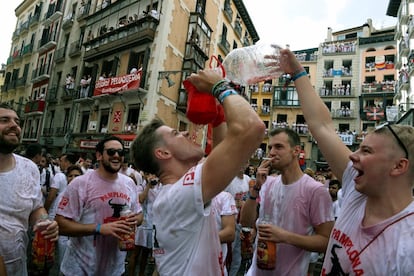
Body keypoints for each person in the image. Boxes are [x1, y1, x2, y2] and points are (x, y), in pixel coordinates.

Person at [278, 48, 414, 274]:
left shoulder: (408, 245)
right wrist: (298, 72)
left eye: (366, 151)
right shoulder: (356, 191)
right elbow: (321, 127)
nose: (352, 155)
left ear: (399, 166)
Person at [130, 69, 265, 275]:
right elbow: (252, 128)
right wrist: (218, 86)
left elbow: (219, 154)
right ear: (164, 153)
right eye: (176, 133)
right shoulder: (178, 194)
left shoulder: (175, 192)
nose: (184, 131)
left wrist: (219, 116)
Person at [240, 127, 334, 275]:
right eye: (270, 147)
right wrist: (256, 187)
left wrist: (285, 236)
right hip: (256, 270)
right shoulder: (267, 183)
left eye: (278, 147)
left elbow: (326, 241)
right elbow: (245, 222)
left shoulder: (315, 191)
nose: (271, 153)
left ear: (296, 151)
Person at [55, 136, 143, 275]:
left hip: (114, 270)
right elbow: (60, 224)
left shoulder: (129, 183)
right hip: (80, 269)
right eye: (111, 151)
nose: (116, 156)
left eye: (121, 152)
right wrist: (99, 228)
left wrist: (134, 220)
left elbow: (139, 214)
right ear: (99, 155)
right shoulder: (80, 183)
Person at [0, 103, 59, 275]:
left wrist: (44, 222)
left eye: (17, 121)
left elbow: (35, 207)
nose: (14, 125)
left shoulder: (29, 168)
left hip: (18, 267)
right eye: (4, 120)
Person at [128, 173, 161, 276]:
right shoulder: (141, 186)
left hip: (152, 225)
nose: (152, 177)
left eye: (154, 174)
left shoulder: (160, 187)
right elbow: (141, 199)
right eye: (149, 174)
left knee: (145, 255)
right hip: (142, 223)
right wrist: (148, 186)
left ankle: (141, 274)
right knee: (135, 254)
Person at [224, 166, 251, 276]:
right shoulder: (229, 180)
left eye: (246, 161)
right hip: (230, 222)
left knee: (238, 257)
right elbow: (222, 201)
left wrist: (244, 205)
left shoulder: (248, 180)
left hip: (242, 224)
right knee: (227, 255)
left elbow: (251, 200)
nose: (243, 164)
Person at [212, 191, 237, 276]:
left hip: (215, 266)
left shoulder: (224, 197)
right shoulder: (185, 195)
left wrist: (196, 240)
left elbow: (229, 234)